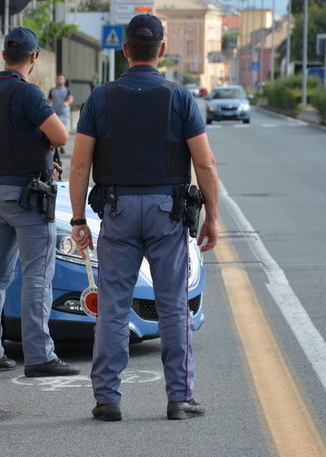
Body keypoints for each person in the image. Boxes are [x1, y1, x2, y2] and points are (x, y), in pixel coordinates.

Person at [68, 14, 219, 421]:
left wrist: (78, 220)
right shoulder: (180, 98)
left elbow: (79, 166)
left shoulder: (99, 98)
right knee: (173, 307)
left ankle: (108, 400)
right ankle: (179, 398)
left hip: (116, 211)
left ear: (125, 49)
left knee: (114, 307)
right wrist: (213, 218)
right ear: (163, 50)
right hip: (167, 212)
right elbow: (205, 166)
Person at [0, 26, 80, 378]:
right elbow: (61, 134)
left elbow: (9, 136)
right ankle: (39, 356)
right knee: (38, 275)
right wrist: (44, 149)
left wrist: (37, 149)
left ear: (4, 55)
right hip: (27, 197)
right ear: (34, 58)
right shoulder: (29, 94)